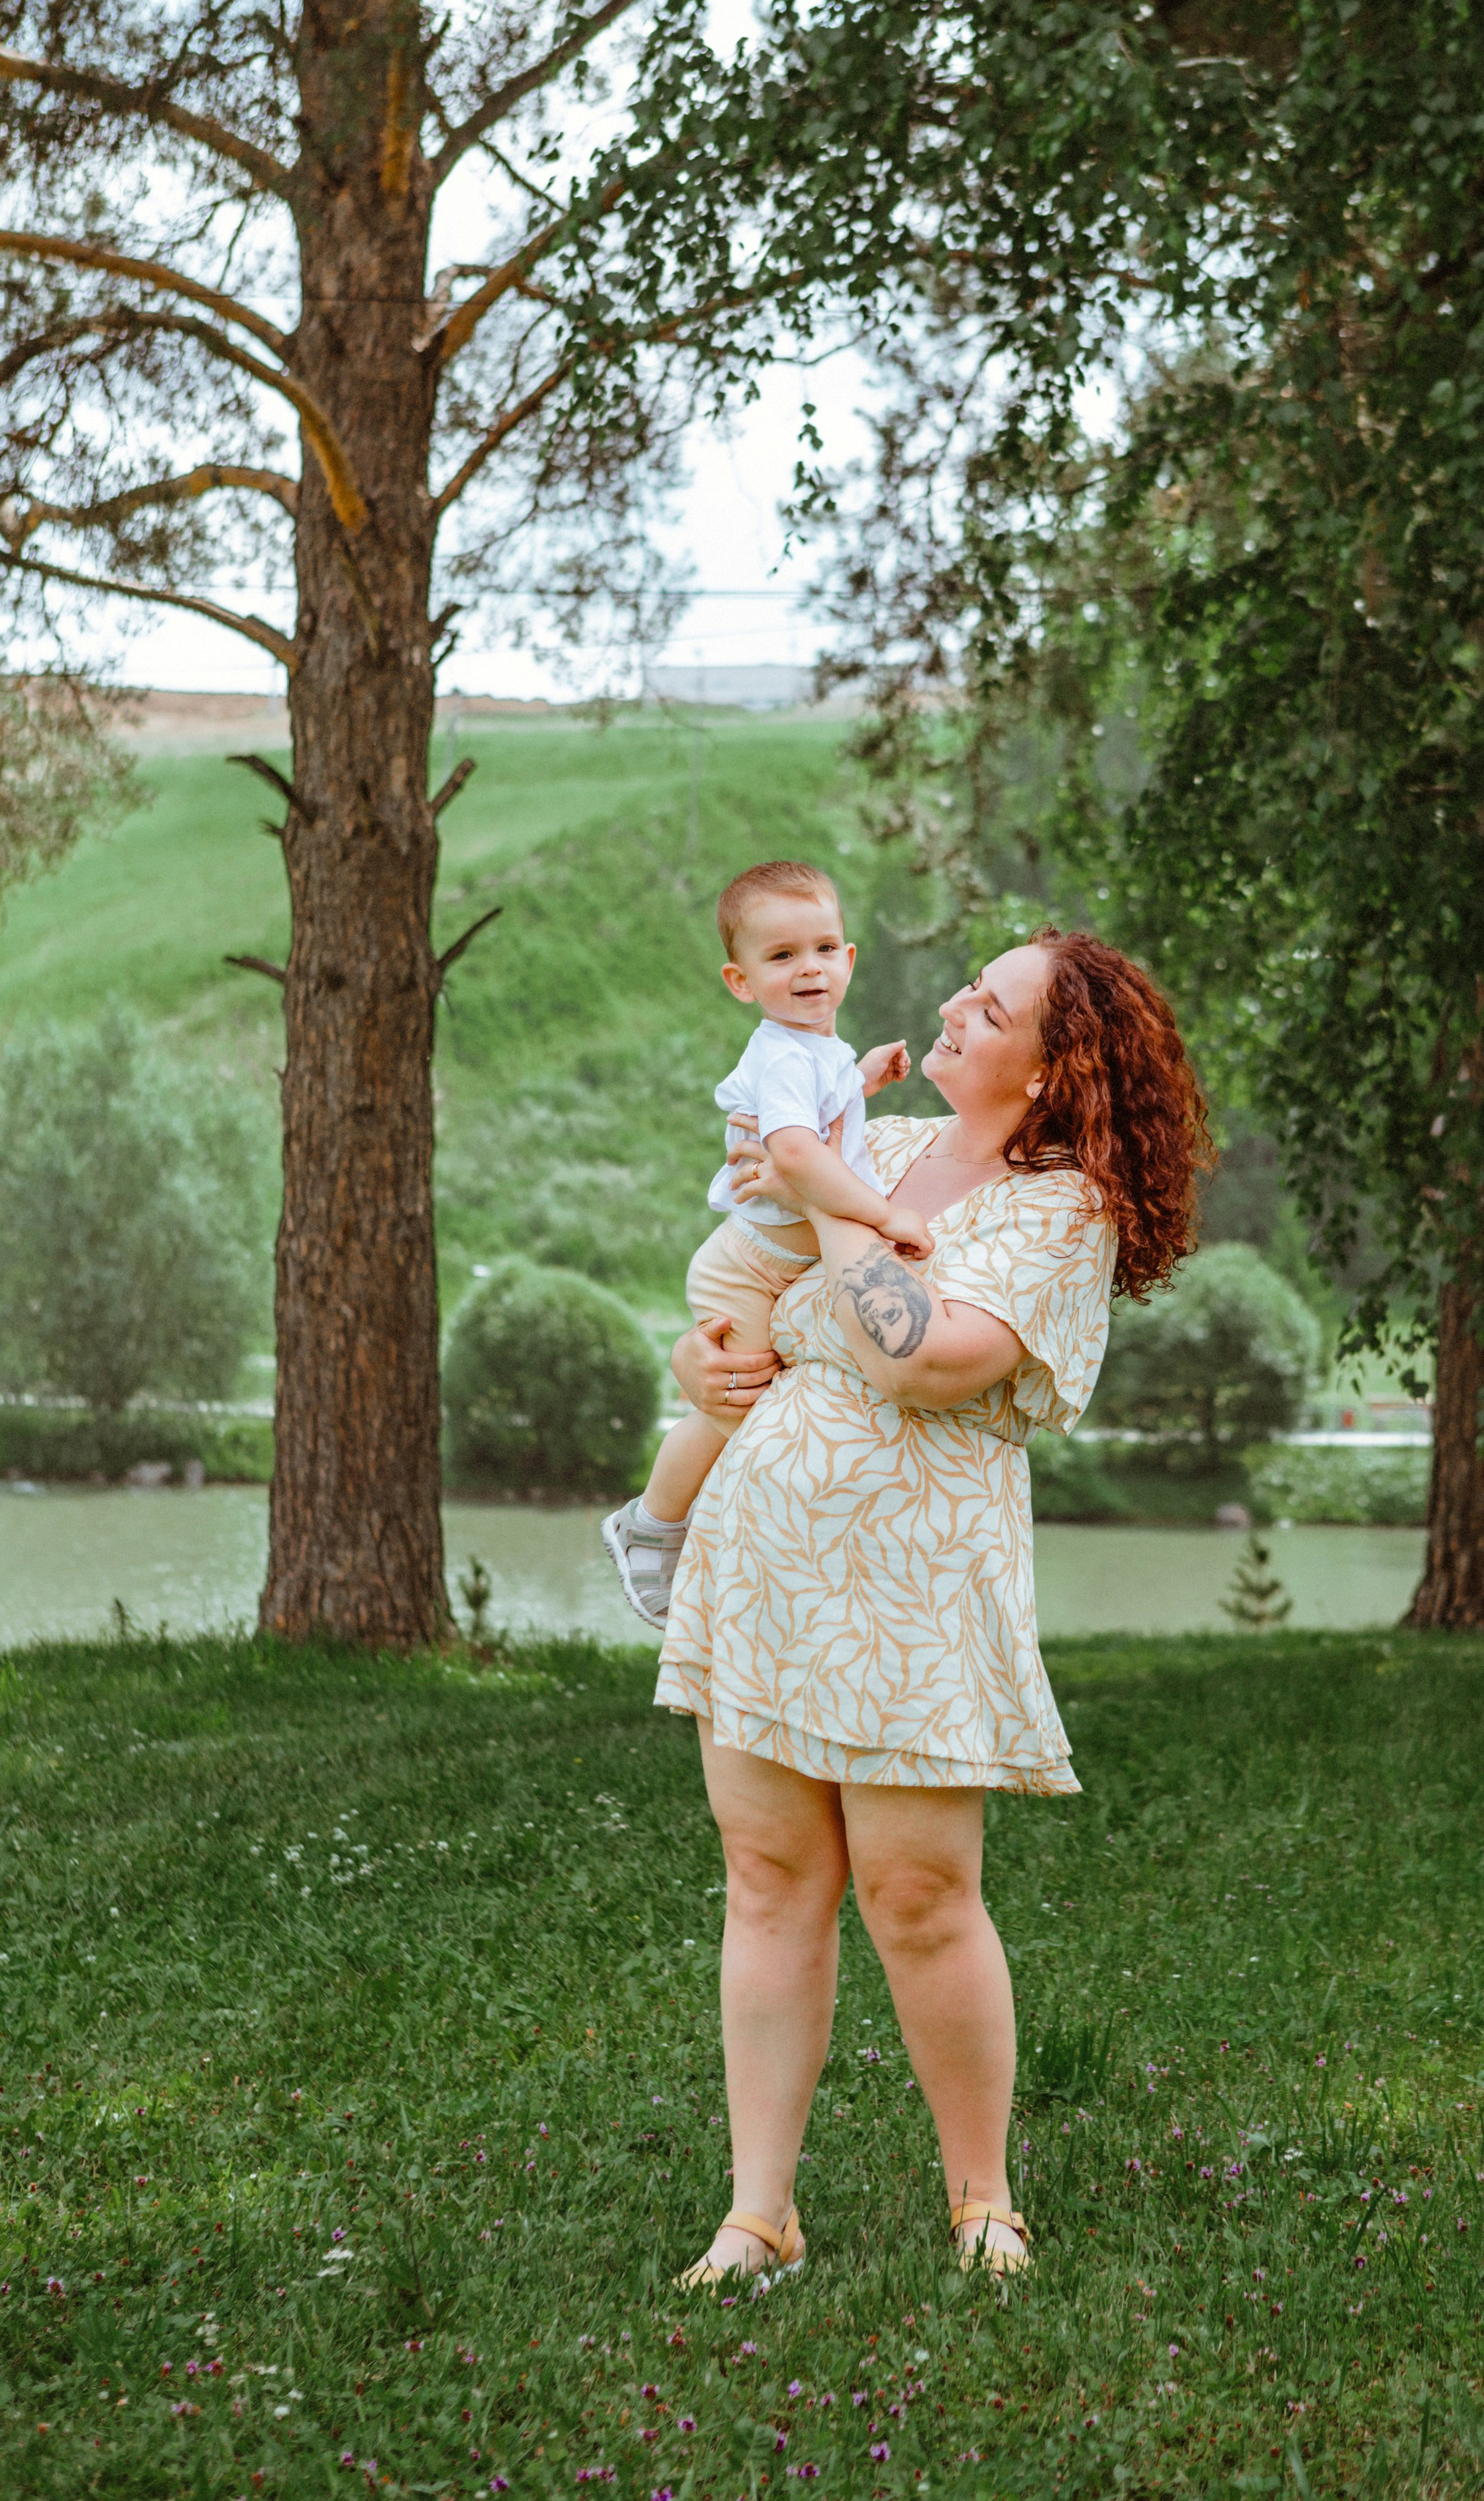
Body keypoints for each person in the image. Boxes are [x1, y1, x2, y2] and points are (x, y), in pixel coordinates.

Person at [652, 927, 1210, 2286]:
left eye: (993, 1004)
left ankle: (983, 2200)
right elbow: (755, 1291)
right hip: (768, 1560)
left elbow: (925, 1357)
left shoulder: (1063, 1205)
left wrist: (822, 1189)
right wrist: (702, 1350)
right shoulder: (881, 1148)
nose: (954, 1008)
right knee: (770, 1878)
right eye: (967, 989)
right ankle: (759, 2214)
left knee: (918, 1892)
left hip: (910, 1584)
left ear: (1057, 1061)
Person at [603, 861, 928, 1626]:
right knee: (739, 1413)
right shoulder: (782, 1051)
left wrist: (863, 1081)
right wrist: (884, 1215)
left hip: (777, 1262)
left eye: (823, 948)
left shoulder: (816, 1049)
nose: (807, 968)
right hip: (748, 1271)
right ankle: (650, 1524)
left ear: (848, 961)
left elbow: (820, 1112)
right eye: (781, 957)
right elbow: (796, 1155)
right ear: (741, 981)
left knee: (767, 1414)